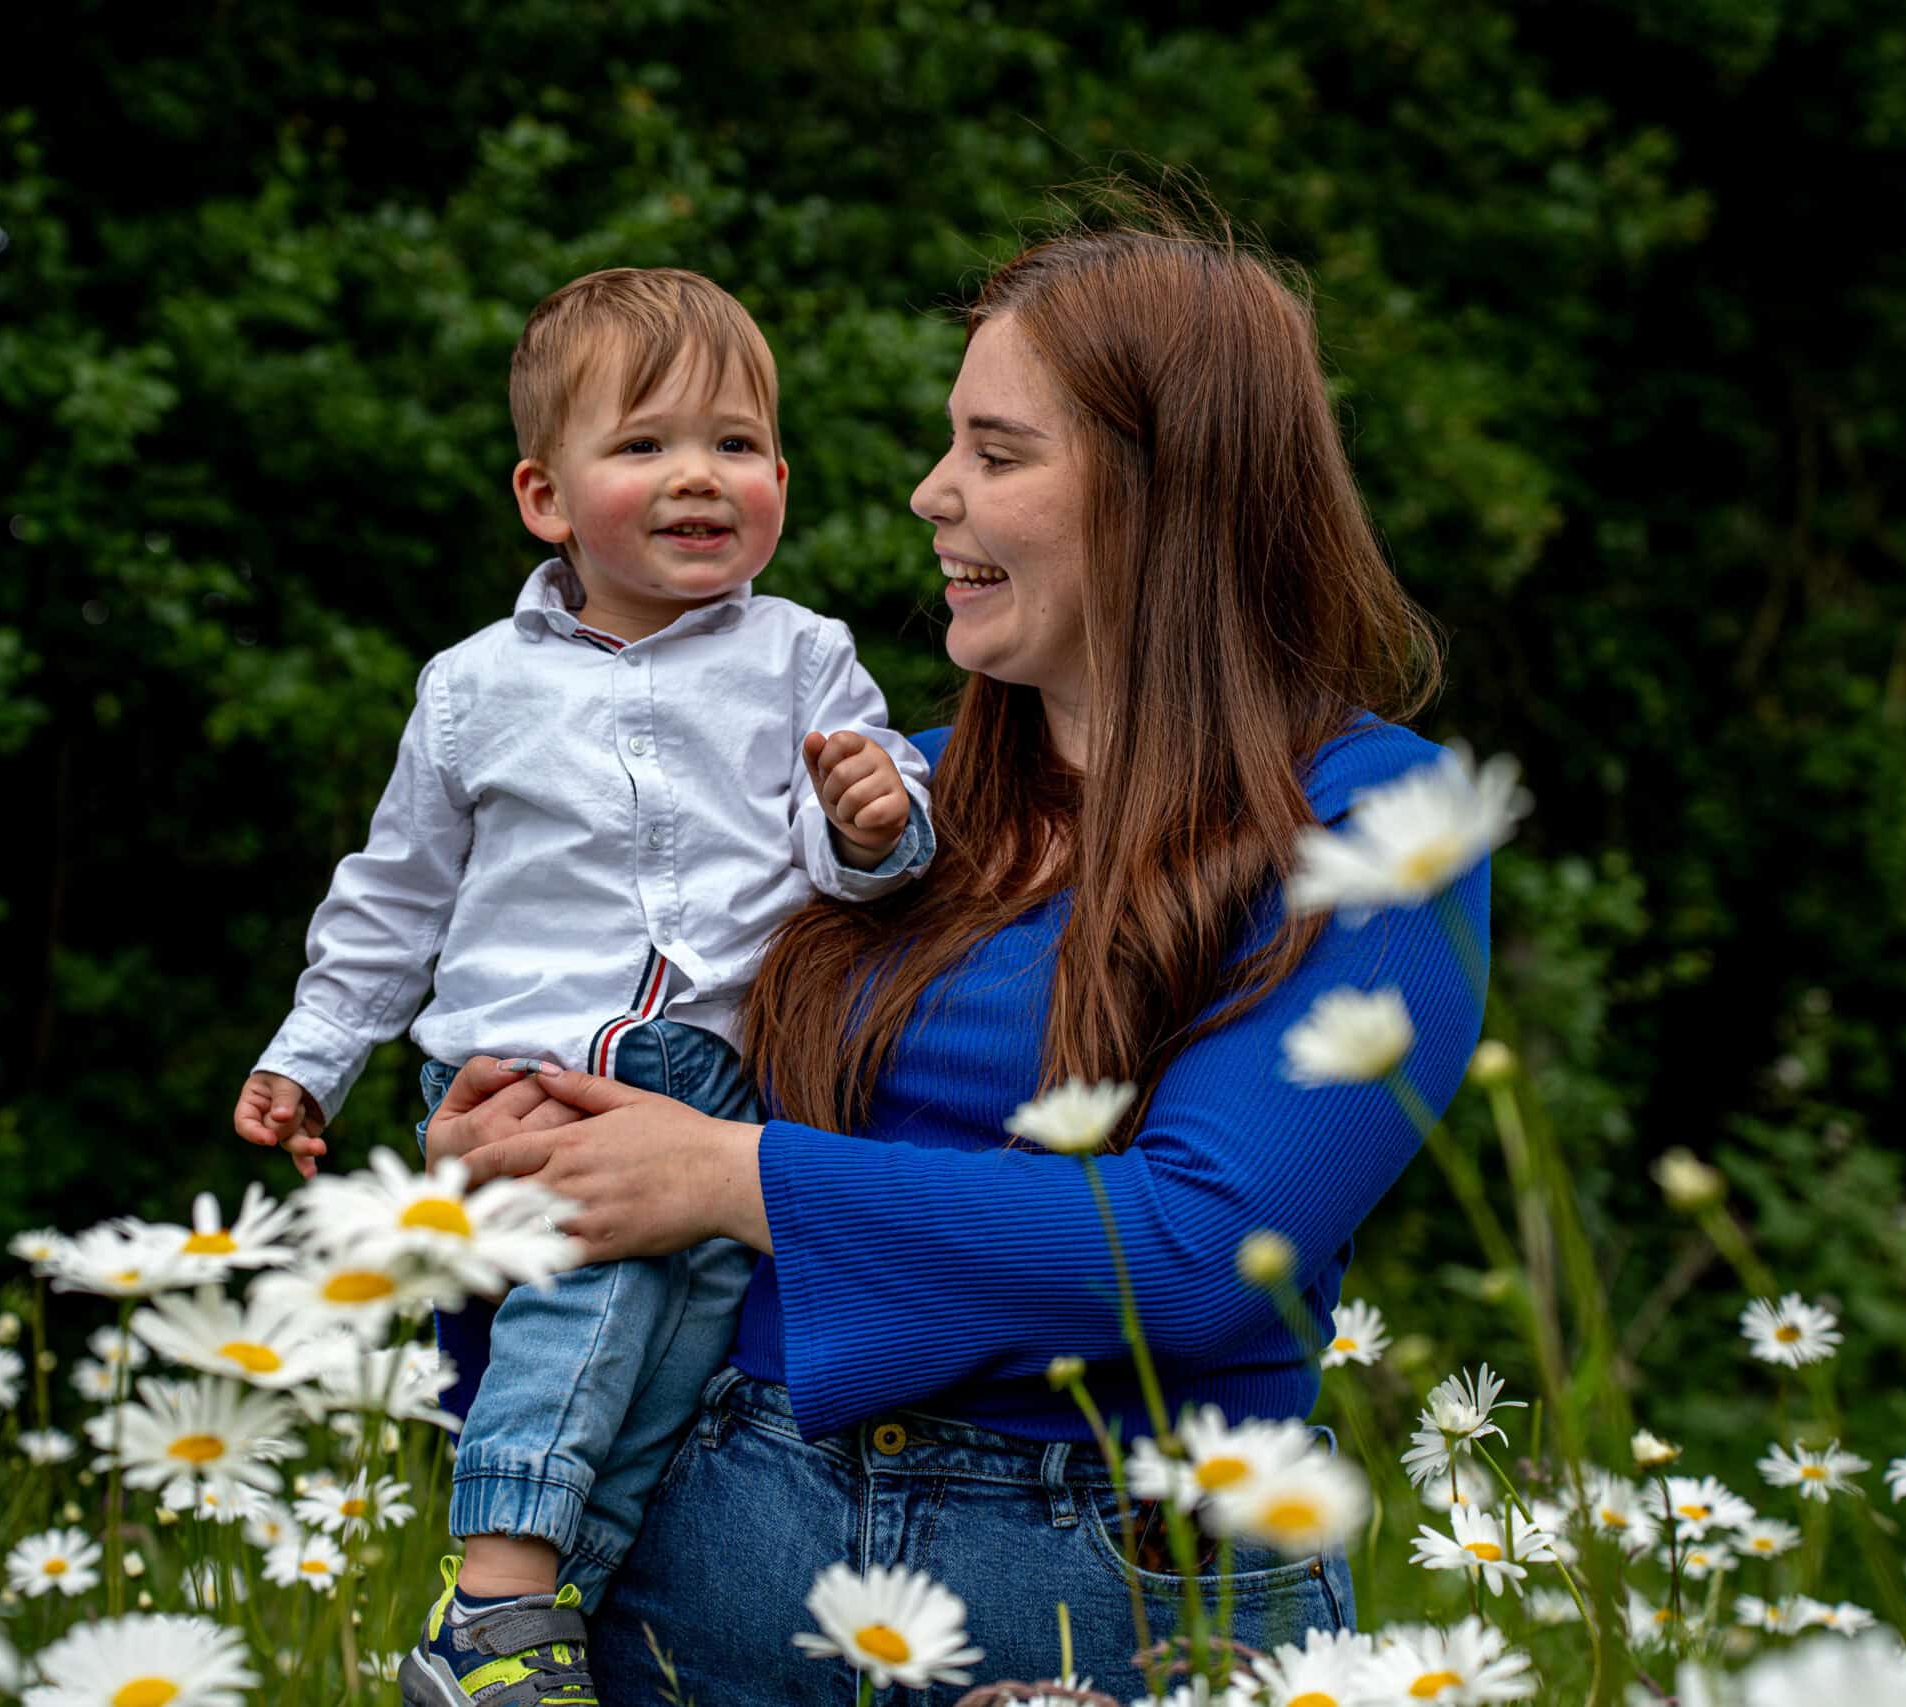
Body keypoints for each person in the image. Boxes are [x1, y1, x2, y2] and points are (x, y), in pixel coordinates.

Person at [420, 210, 1492, 1703]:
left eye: (998, 454)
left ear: (1165, 489)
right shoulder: (866, 809)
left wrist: (731, 1176)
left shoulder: (1377, 821)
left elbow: (1202, 1256)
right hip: (710, 1565)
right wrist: (517, 1165)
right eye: (949, 448)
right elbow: (638, 1136)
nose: (932, 496)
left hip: (1116, 1597)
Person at [230, 267, 936, 1707]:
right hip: (528, 1073)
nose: (699, 477)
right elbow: (396, 894)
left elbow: (858, 839)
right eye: (646, 446)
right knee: (588, 1317)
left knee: (668, 1377)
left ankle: (527, 1640)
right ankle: (495, 1591)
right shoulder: (473, 687)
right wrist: (314, 1052)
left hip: (716, 1078)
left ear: (783, 480)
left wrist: (876, 820)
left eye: (735, 445)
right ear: (547, 499)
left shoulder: (806, 658)